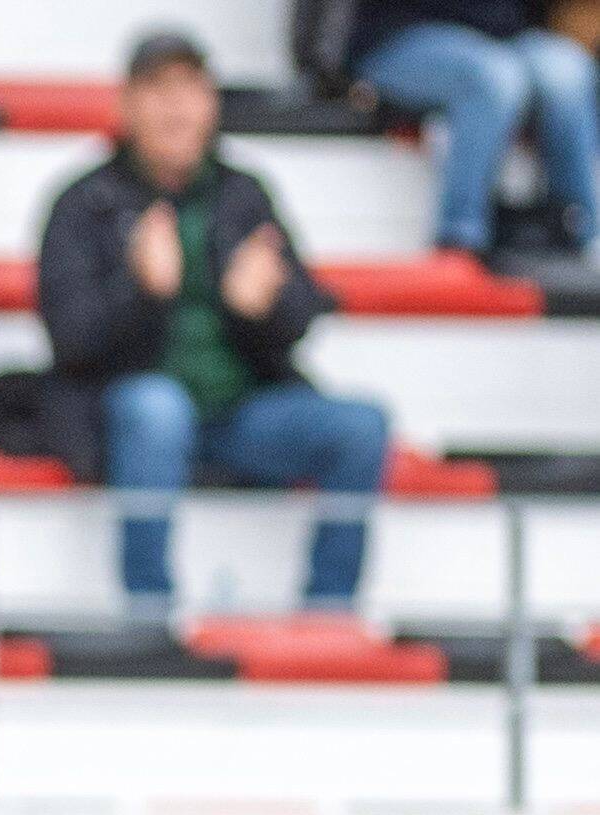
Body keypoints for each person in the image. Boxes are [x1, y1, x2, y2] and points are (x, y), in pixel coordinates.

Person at [39, 28, 391, 617]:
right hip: (131, 413)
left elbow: (302, 313)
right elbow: (70, 343)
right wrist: (144, 292)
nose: (176, 105)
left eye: (190, 87)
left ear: (212, 104)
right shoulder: (84, 202)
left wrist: (261, 306)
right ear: (126, 105)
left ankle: (327, 616)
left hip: (241, 412)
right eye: (158, 88)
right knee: (156, 409)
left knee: (361, 427)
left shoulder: (244, 194)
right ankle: (149, 615)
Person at [353, 0, 600, 268]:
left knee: (568, 69)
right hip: (403, 36)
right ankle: (460, 240)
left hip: (502, 37)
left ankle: (582, 233)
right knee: (493, 77)